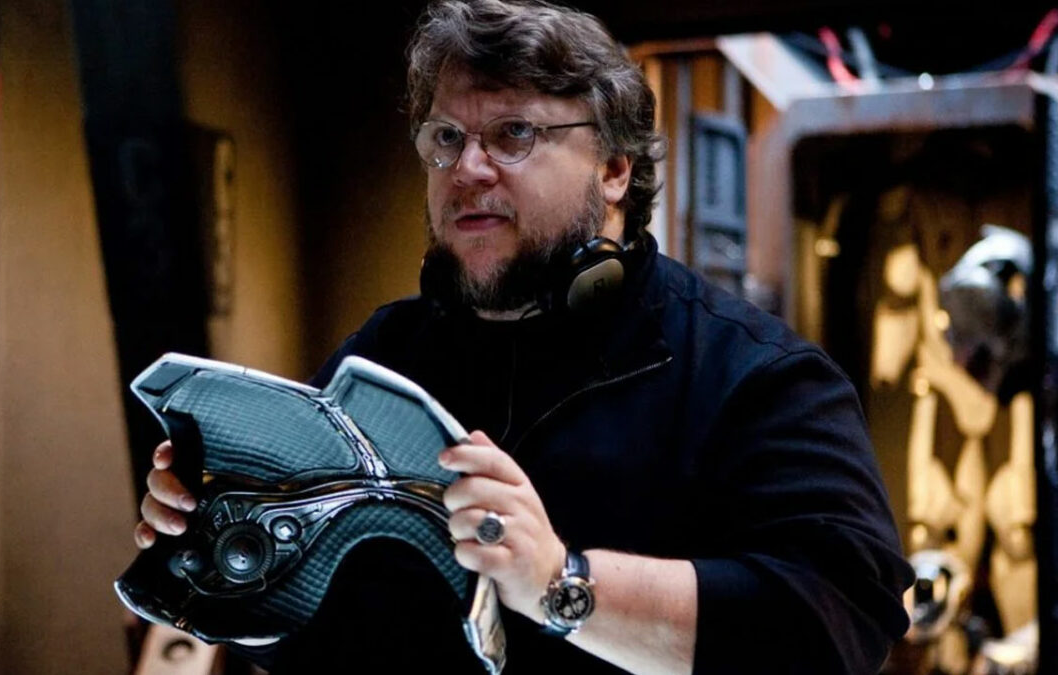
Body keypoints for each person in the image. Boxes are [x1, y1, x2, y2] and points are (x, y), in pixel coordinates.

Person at [134, 1, 914, 672]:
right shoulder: (382, 355)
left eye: (513, 134)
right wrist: (224, 541)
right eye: (445, 138)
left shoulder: (755, 375)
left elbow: (838, 623)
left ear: (613, 167)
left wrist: (560, 584)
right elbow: (315, 633)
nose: (467, 168)